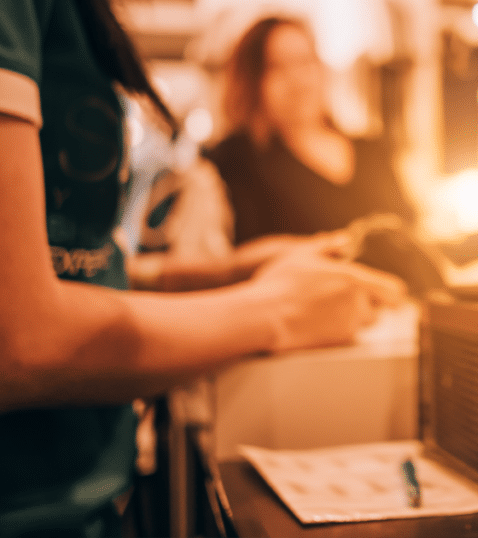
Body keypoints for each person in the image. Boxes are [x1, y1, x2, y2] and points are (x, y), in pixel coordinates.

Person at [0, 1, 406, 536]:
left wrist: (230, 273)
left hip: (79, 494)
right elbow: (18, 336)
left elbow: (77, 266)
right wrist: (275, 309)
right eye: (277, 67)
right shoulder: (229, 161)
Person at [203, 16, 445, 294]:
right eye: (277, 67)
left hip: (398, 309)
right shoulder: (237, 158)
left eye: (305, 62)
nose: (297, 79)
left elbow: (410, 229)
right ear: (252, 80)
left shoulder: (371, 149)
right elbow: (233, 260)